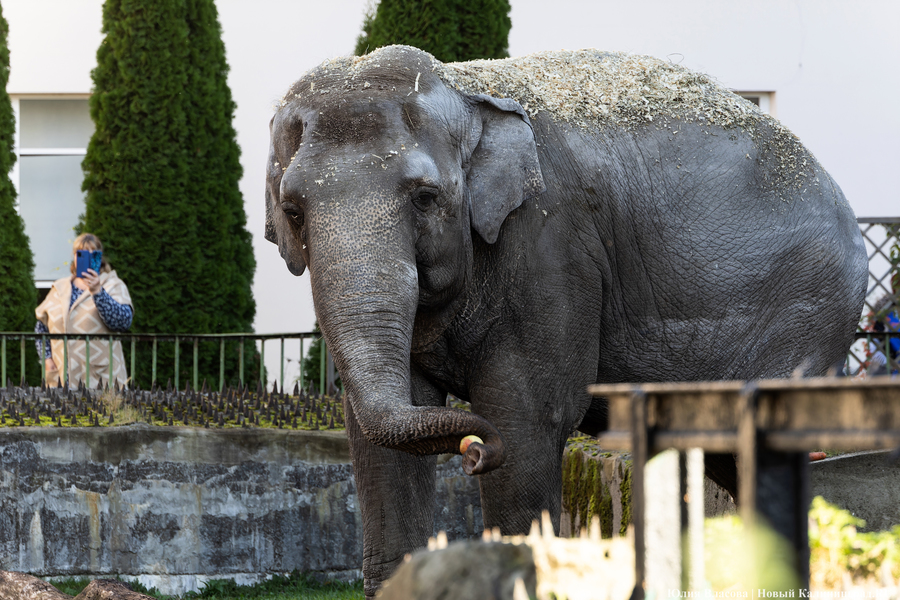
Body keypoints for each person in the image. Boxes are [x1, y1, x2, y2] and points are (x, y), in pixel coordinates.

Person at [35, 233, 134, 387]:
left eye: (92, 254)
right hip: (62, 380)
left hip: (102, 380)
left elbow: (123, 322)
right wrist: (47, 359)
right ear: (74, 257)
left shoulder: (113, 284)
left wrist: (98, 292)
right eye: (81, 254)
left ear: (99, 258)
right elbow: (41, 327)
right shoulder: (59, 288)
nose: (86, 259)